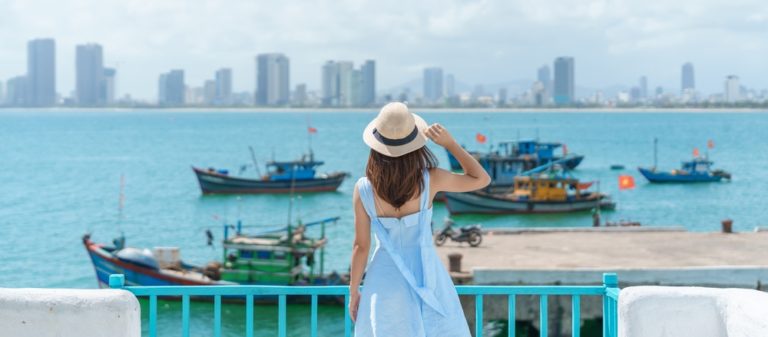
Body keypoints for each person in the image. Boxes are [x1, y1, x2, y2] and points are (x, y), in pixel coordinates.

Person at [349, 102, 491, 336]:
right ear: (415, 143)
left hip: (384, 278)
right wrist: (450, 144)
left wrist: (354, 292)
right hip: (427, 274)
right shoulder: (429, 180)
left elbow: (360, 247)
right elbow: (480, 179)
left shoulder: (363, 189)